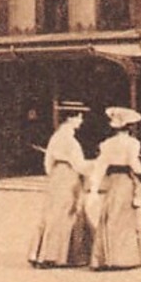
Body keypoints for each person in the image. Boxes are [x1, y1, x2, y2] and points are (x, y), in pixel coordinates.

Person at [87, 107, 141, 270]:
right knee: (129, 218)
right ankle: (127, 258)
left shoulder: (106, 144)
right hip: (127, 181)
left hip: (113, 181)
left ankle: (106, 257)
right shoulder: (133, 143)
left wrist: (94, 188)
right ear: (130, 127)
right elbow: (133, 163)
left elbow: (100, 167)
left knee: (111, 215)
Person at [29, 111, 92, 268]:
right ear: (70, 118)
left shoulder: (56, 137)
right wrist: (94, 167)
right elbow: (79, 164)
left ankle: (42, 253)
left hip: (57, 175)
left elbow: (48, 162)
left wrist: (55, 174)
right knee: (68, 213)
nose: (81, 120)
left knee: (53, 212)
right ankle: (60, 256)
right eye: (79, 117)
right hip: (69, 176)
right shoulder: (71, 141)